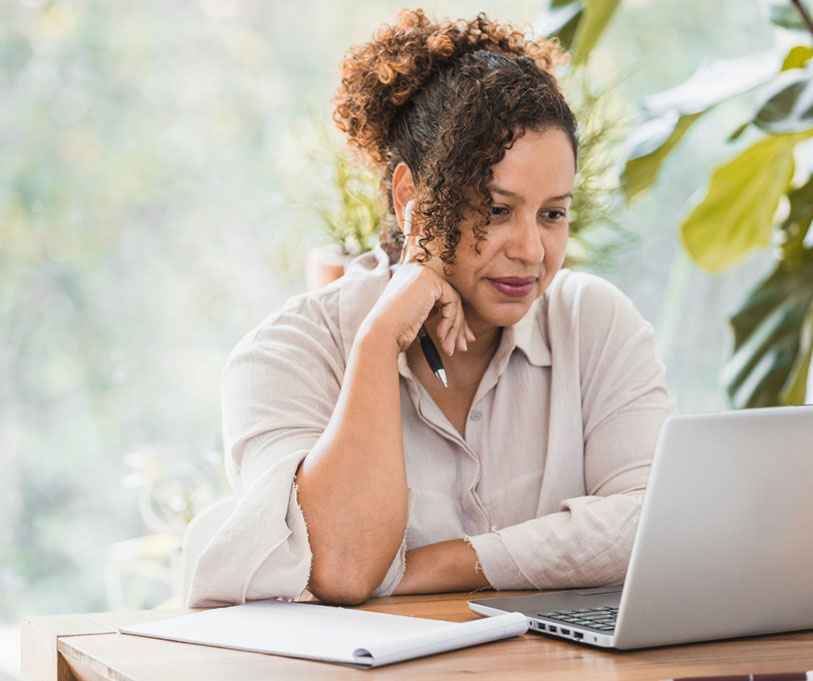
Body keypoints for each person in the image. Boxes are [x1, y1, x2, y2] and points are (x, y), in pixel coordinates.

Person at [187, 9, 676, 608]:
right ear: (409, 199)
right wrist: (376, 344)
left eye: (553, 213)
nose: (530, 250)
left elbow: (655, 522)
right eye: (497, 210)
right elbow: (342, 566)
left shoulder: (594, 323)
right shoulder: (285, 355)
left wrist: (437, 564)